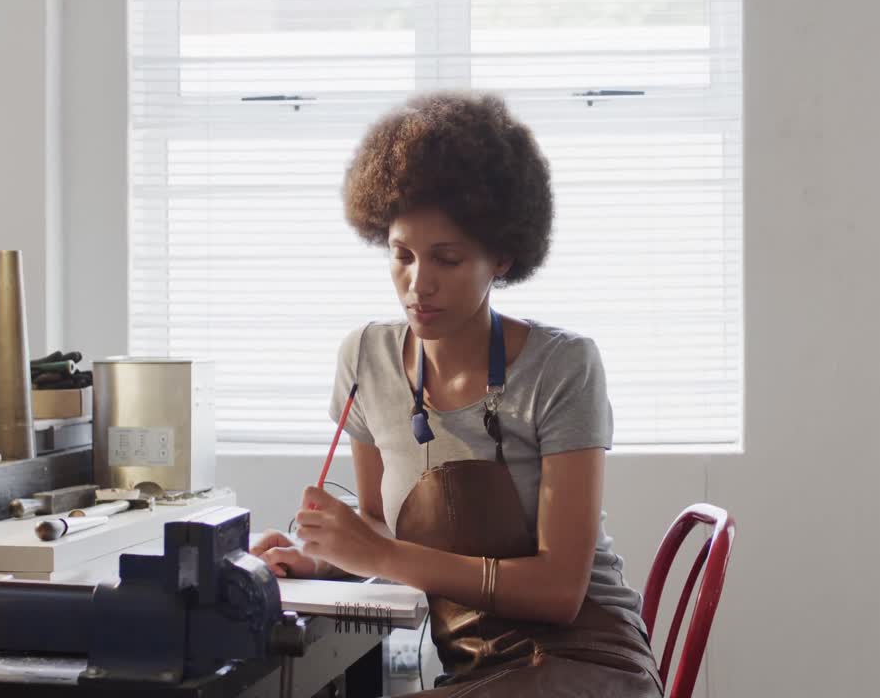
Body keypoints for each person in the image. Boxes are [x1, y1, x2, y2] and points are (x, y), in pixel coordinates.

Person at [249, 91, 662, 696]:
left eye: (446, 258)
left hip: (586, 658)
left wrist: (379, 556)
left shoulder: (564, 366)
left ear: (500, 258)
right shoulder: (366, 360)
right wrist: (321, 557)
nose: (418, 284)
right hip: (473, 668)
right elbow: (377, 524)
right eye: (402, 256)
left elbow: (559, 591)